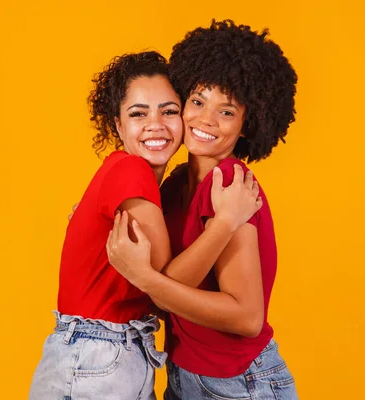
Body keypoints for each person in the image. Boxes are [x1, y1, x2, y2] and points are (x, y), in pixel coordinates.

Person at [29, 50, 261, 400]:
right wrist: (224, 222)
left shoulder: (158, 187)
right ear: (118, 126)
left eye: (168, 111)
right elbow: (166, 288)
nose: (156, 124)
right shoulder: (131, 171)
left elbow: (156, 291)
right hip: (98, 357)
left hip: (109, 354)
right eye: (138, 114)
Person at [106, 20, 299, 399]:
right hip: (184, 375)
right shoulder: (177, 185)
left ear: (248, 124)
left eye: (227, 111)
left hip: (239, 382)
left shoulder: (230, 185)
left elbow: (246, 318)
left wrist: (147, 280)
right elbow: (173, 277)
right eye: (196, 101)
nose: (205, 119)